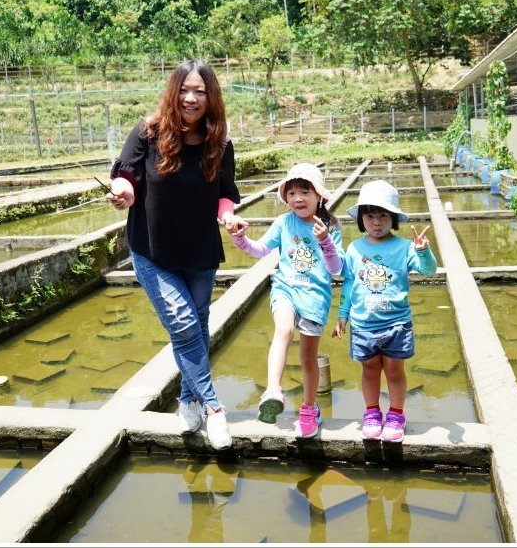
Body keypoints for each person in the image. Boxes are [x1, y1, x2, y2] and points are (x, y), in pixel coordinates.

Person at [105, 59, 246, 450]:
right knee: (183, 324)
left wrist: (229, 218)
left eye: (200, 91)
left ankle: (187, 400)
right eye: (185, 89)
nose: (191, 97)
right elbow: (127, 176)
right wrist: (123, 193)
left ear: (210, 96)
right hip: (154, 249)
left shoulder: (220, 142)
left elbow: (224, 193)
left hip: (200, 250)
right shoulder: (148, 132)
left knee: (197, 327)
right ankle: (215, 408)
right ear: (174, 92)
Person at [228, 162, 343, 438]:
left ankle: (308, 407)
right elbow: (261, 250)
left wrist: (326, 241)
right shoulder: (283, 222)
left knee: (307, 358)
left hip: (315, 298)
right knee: (283, 329)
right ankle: (273, 390)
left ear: (319, 196)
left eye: (305, 191)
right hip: (286, 289)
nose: (298, 198)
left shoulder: (330, 226)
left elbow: (337, 268)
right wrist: (241, 240)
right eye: (291, 193)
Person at [332, 179, 436, 443]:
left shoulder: (405, 247)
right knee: (369, 370)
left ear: (393, 218)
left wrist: (424, 252)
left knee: (394, 371)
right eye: (370, 216)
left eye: (383, 215)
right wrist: (342, 315)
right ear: (362, 219)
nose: (376, 221)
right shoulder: (354, 249)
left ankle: (396, 415)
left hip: (397, 324)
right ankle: (371, 413)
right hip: (363, 324)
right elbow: (349, 282)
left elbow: (429, 270)